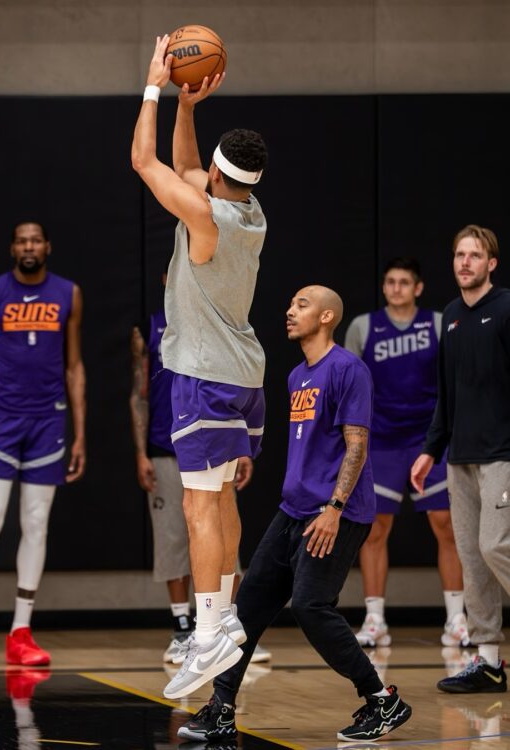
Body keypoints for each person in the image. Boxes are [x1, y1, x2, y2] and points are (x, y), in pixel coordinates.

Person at [177, 285, 412, 743]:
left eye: (301, 305)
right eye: (290, 304)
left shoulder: (349, 369)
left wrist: (334, 508)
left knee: (309, 605)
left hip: (335, 514)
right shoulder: (296, 376)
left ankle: (382, 701)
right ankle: (221, 708)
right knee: (243, 614)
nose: (289, 310)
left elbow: (357, 445)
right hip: (293, 512)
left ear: (327, 317)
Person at [132, 36, 268, 700]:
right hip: (243, 377)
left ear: (216, 176)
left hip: (205, 375)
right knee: (220, 499)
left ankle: (210, 632)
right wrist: (188, 107)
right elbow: (187, 171)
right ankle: (225, 616)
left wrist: (156, 85)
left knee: (197, 507)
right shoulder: (246, 210)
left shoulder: (205, 217)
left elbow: (143, 160)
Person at [0, 221, 86, 669]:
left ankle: (20, 632)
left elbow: (74, 366)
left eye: (36, 240)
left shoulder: (68, 293)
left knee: (36, 522)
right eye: (21, 240)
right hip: (0, 418)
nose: (29, 246)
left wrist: (80, 432)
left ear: (47, 246)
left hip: (47, 421)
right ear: (12, 247)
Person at [129, 268, 270, 665]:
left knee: (222, 529)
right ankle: (183, 629)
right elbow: (137, 393)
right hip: (165, 444)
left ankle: (225, 622)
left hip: (214, 437)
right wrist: (140, 452)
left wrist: (244, 445)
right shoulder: (148, 329)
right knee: (175, 536)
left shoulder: (222, 321)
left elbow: (243, 385)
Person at [345, 257, 467, 648]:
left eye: (404, 283)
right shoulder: (365, 327)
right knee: (375, 529)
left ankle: (456, 620)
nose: (396, 288)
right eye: (390, 282)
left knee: (447, 523)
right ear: (384, 287)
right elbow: (348, 385)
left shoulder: (436, 324)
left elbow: (453, 380)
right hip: (381, 440)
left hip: (427, 440)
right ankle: (375, 619)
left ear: (418, 288)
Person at [412, 224, 510, 694]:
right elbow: (446, 396)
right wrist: (431, 450)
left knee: (496, 546)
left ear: (492, 264)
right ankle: (488, 661)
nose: (465, 262)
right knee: (472, 558)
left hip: (502, 455)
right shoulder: (450, 316)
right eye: (459, 255)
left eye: (475, 255)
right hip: (460, 458)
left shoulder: (507, 308)